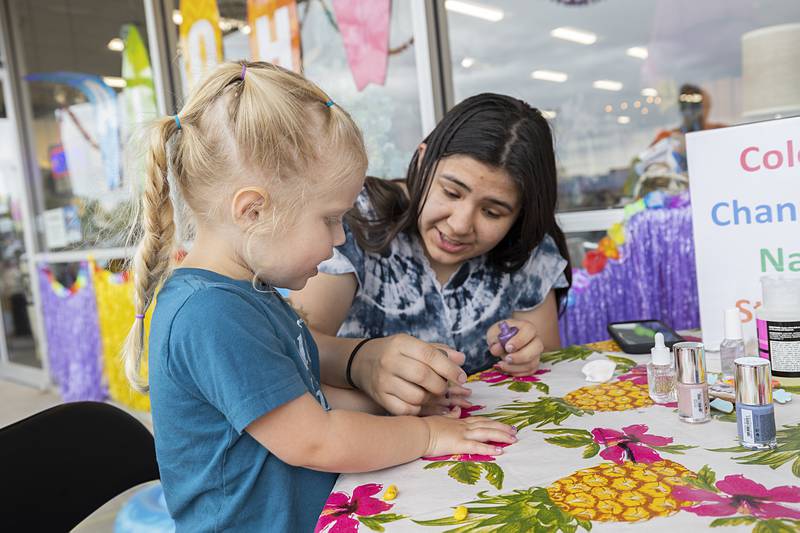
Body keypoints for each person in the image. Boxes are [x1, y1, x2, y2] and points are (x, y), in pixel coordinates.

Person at [122, 62, 515, 532]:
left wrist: (393, 403)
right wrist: (427, 435)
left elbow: (309, 399)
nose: (338, 239)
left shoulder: (249, 292)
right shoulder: (211, 313)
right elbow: (315, 438)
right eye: (330, 219)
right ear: (253, 211)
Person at [291, 93, 572, 416]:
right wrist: (364, 360)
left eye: (493, 212)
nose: (460, 224)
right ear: (422, 161)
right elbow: (296, 344)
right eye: (451, 192)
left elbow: (548, 368)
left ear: (521, 215)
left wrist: (523, 352)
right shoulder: (358, 220)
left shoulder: (528, 247)